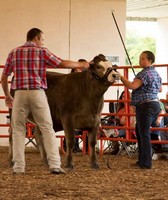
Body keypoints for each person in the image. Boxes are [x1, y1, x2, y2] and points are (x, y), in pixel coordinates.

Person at [1, 28, 89, 175]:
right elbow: (63, 64)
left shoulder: (14, 52)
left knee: (18, 130)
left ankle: (19, 167)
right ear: (36, 38)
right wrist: (82, 64)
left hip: (19, 93)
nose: (43, 42)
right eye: (42, 39)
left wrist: (7, 95)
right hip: (37, 93)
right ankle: (54, 165)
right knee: (47, 128)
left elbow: (4, 78)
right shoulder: (42, 52)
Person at [119, 50, 162, 169]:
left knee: (143, 134)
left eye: (143, 58)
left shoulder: (144, 74)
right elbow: (160, 89)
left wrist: (121, 77)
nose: (140, 60)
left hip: (145, 105)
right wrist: (146, 89)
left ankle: (146, 162)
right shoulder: (156, 73)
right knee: (140, 132)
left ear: (150, 60)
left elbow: (132, 86)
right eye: (140, 58)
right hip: (154, 104)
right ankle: (142, 160)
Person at [102, 90, 136, 154]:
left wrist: (121, 120)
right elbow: (119, 120)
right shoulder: (121, 108)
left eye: (127, 96)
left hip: (131, 130)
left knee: (124, 127)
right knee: (111, 124)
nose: (124, 98)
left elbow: (124, 121)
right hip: (120, 127)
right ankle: (112, 139)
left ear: (131, 98)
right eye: (123, 96)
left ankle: (110, 133)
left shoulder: (132, 108)